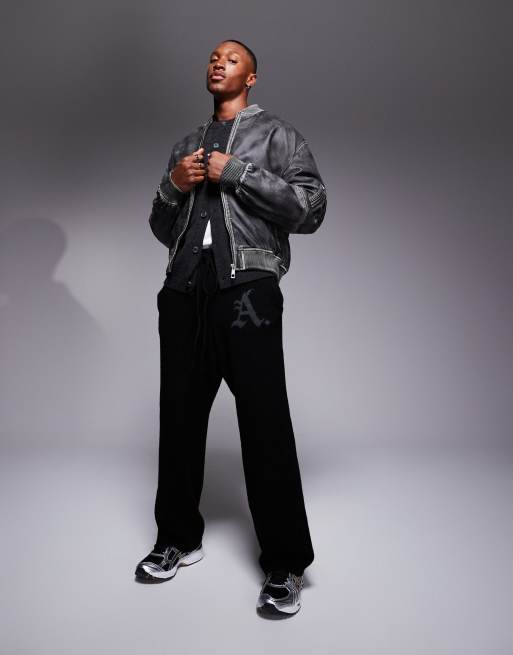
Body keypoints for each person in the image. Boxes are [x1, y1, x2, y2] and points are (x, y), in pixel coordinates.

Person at [134, 38, 327, 619]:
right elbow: (162, 227)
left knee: (265, 423)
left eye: (232, 58)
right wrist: (173, 185)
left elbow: (311, 208)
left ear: (252, 76)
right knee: (179, 419)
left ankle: (285, 564)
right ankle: (177, 537)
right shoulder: (186, 144)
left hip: (247, 292)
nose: (218, 62)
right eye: (213, 57)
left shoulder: (278, 136)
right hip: (183, 293)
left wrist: (238, 172)